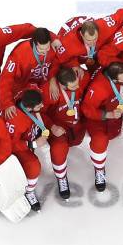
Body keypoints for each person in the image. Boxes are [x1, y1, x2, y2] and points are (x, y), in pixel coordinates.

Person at [42, 67, 91, 199]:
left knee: (77, 141)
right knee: (58, 150)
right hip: (60, 128)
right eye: (73, 86)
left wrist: (75, 65)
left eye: (77, 84)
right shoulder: (50, 91)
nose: (78, 86)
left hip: (77, 125)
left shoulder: (80, 78)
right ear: (62, 85)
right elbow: (39, 113)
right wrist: (52, 127)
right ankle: (61, 178)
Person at [81, 62, 123, 191]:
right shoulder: (98, 88)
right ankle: (99, 170)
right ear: (114, 79)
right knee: (100, 141)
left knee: (113, 135)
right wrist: (107, 114)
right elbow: (86, 109)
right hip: (98, 118)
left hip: (114, 113)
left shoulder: (121, 74)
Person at [0, 28, 59, 120]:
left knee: (55, 95)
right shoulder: (19, 53)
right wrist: (7, 103)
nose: (46, 51)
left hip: (40, 83)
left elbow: (56, 62)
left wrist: (53, 79)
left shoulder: (52, 46)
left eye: (47, 47)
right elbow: (6, 80)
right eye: (41, 49)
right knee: (14, 116)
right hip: (21, 88)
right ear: (34, 43)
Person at [6, 90, 51, 211]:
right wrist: (33, 143)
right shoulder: (16, 120)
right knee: (34, 167)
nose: (42, 106)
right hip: (18, 151)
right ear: (29, 107)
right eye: (39, 105)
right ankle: (28, 192)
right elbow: (11, 144)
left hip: (28, 143)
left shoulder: (29, 106)